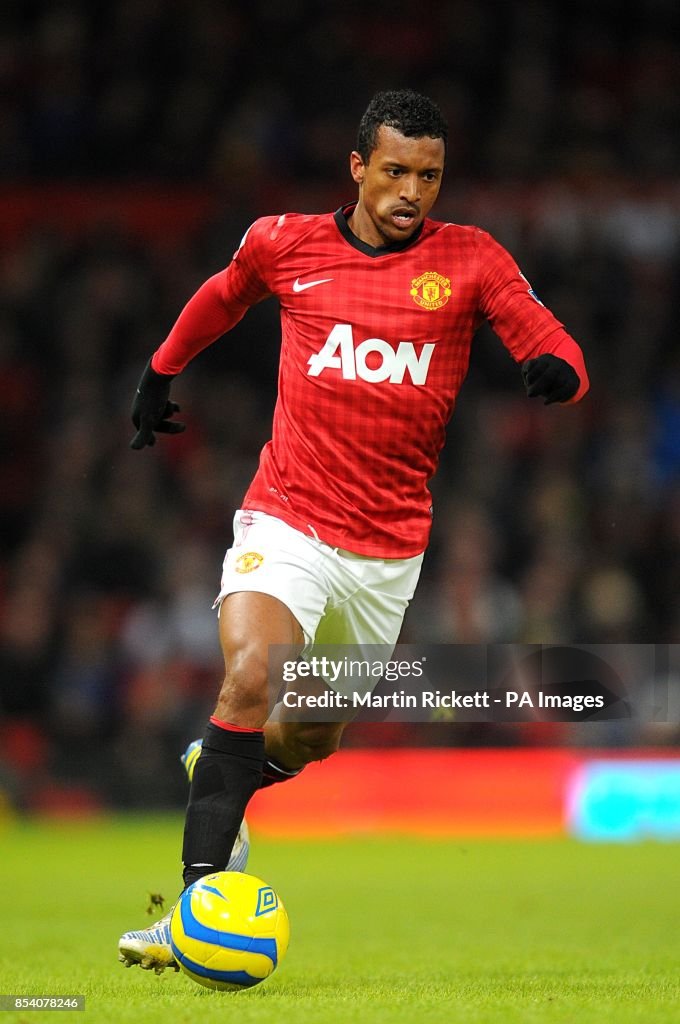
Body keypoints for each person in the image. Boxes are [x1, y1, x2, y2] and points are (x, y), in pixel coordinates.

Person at [118, 89, 589, 971]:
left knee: (311, 735)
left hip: (388, 551)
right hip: (287, 515)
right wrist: (160, 369)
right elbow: (224, 297)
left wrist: (557, 368)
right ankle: (192, 911)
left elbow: (548, 336)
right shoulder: (284, 243)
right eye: (398, 171)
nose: (414, 191)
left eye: (431, 175)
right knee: (251, 675)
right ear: (359, 167)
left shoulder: (472, 260)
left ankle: (221, 770)